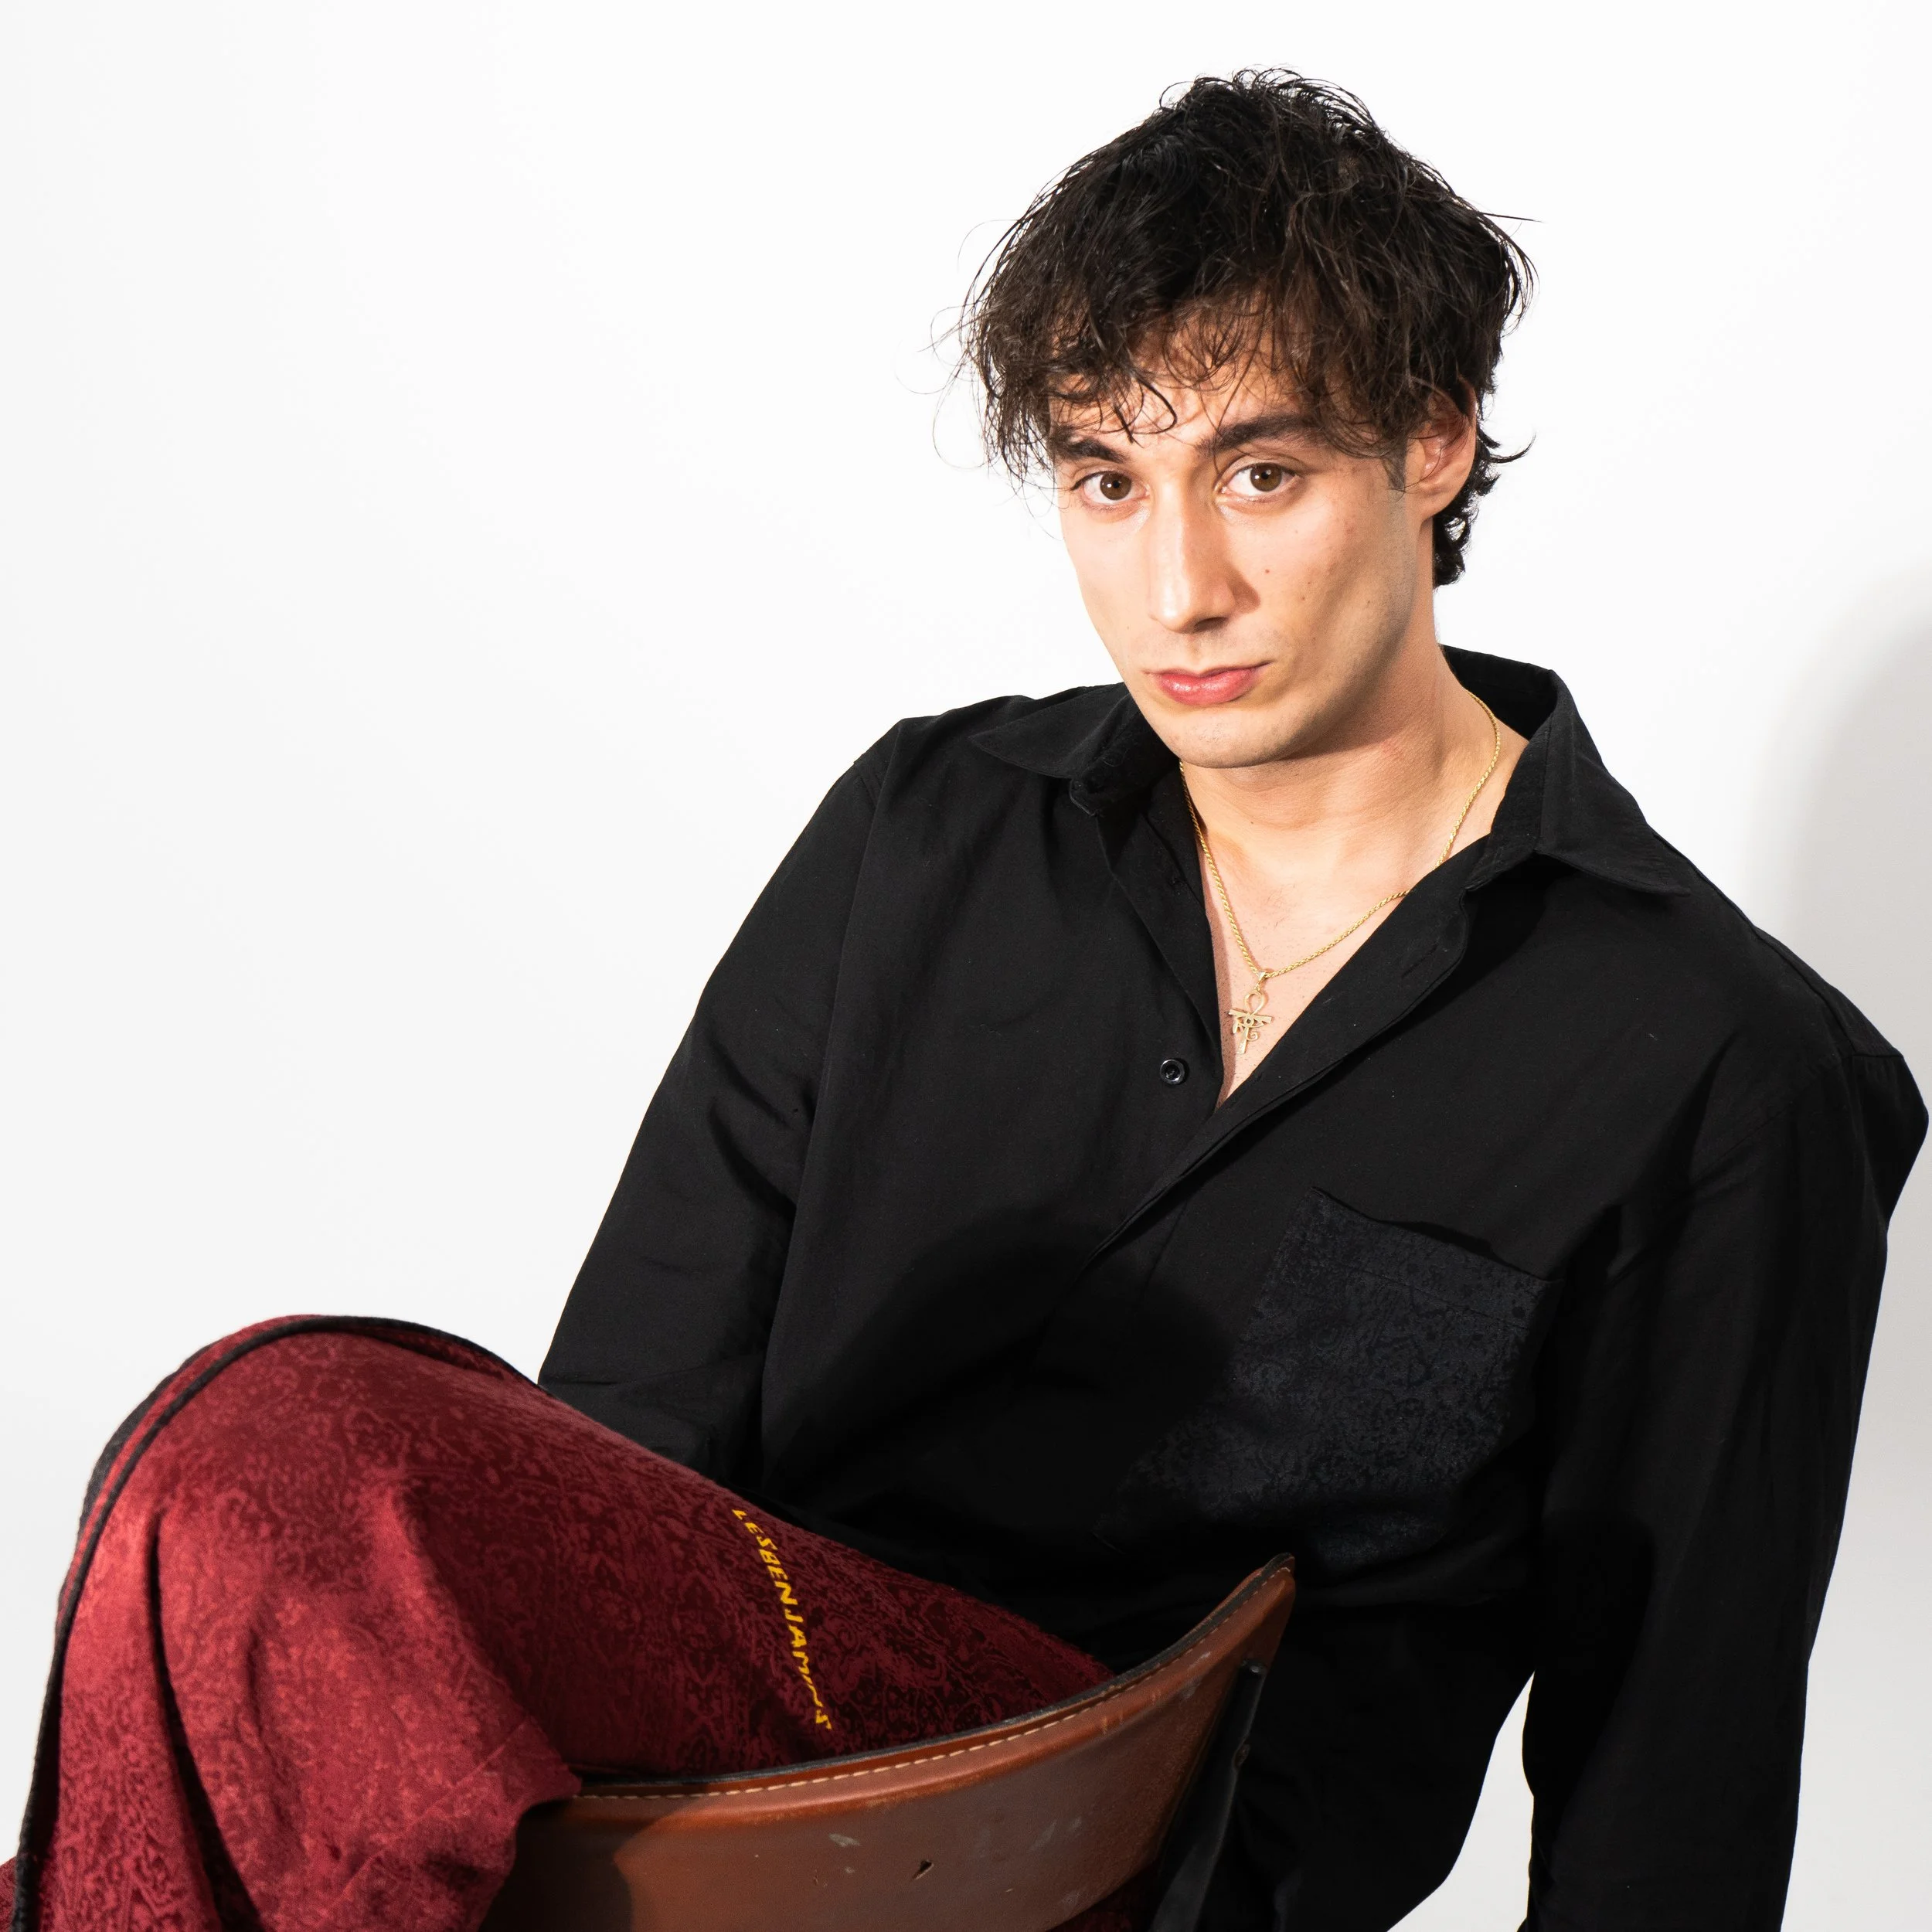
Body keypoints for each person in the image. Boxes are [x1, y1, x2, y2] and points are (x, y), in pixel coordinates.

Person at [5, 69, 1921, 1932]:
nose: (1179, 586)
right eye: (1107, 481)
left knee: (286, 1435)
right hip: (758, 1780)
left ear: (1429, 441)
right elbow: (617, 1452)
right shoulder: (924, 835)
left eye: (1257, 472)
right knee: (258, 1493)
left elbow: (1674, 1765)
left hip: (1136, 1835)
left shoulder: (1715, 1061)